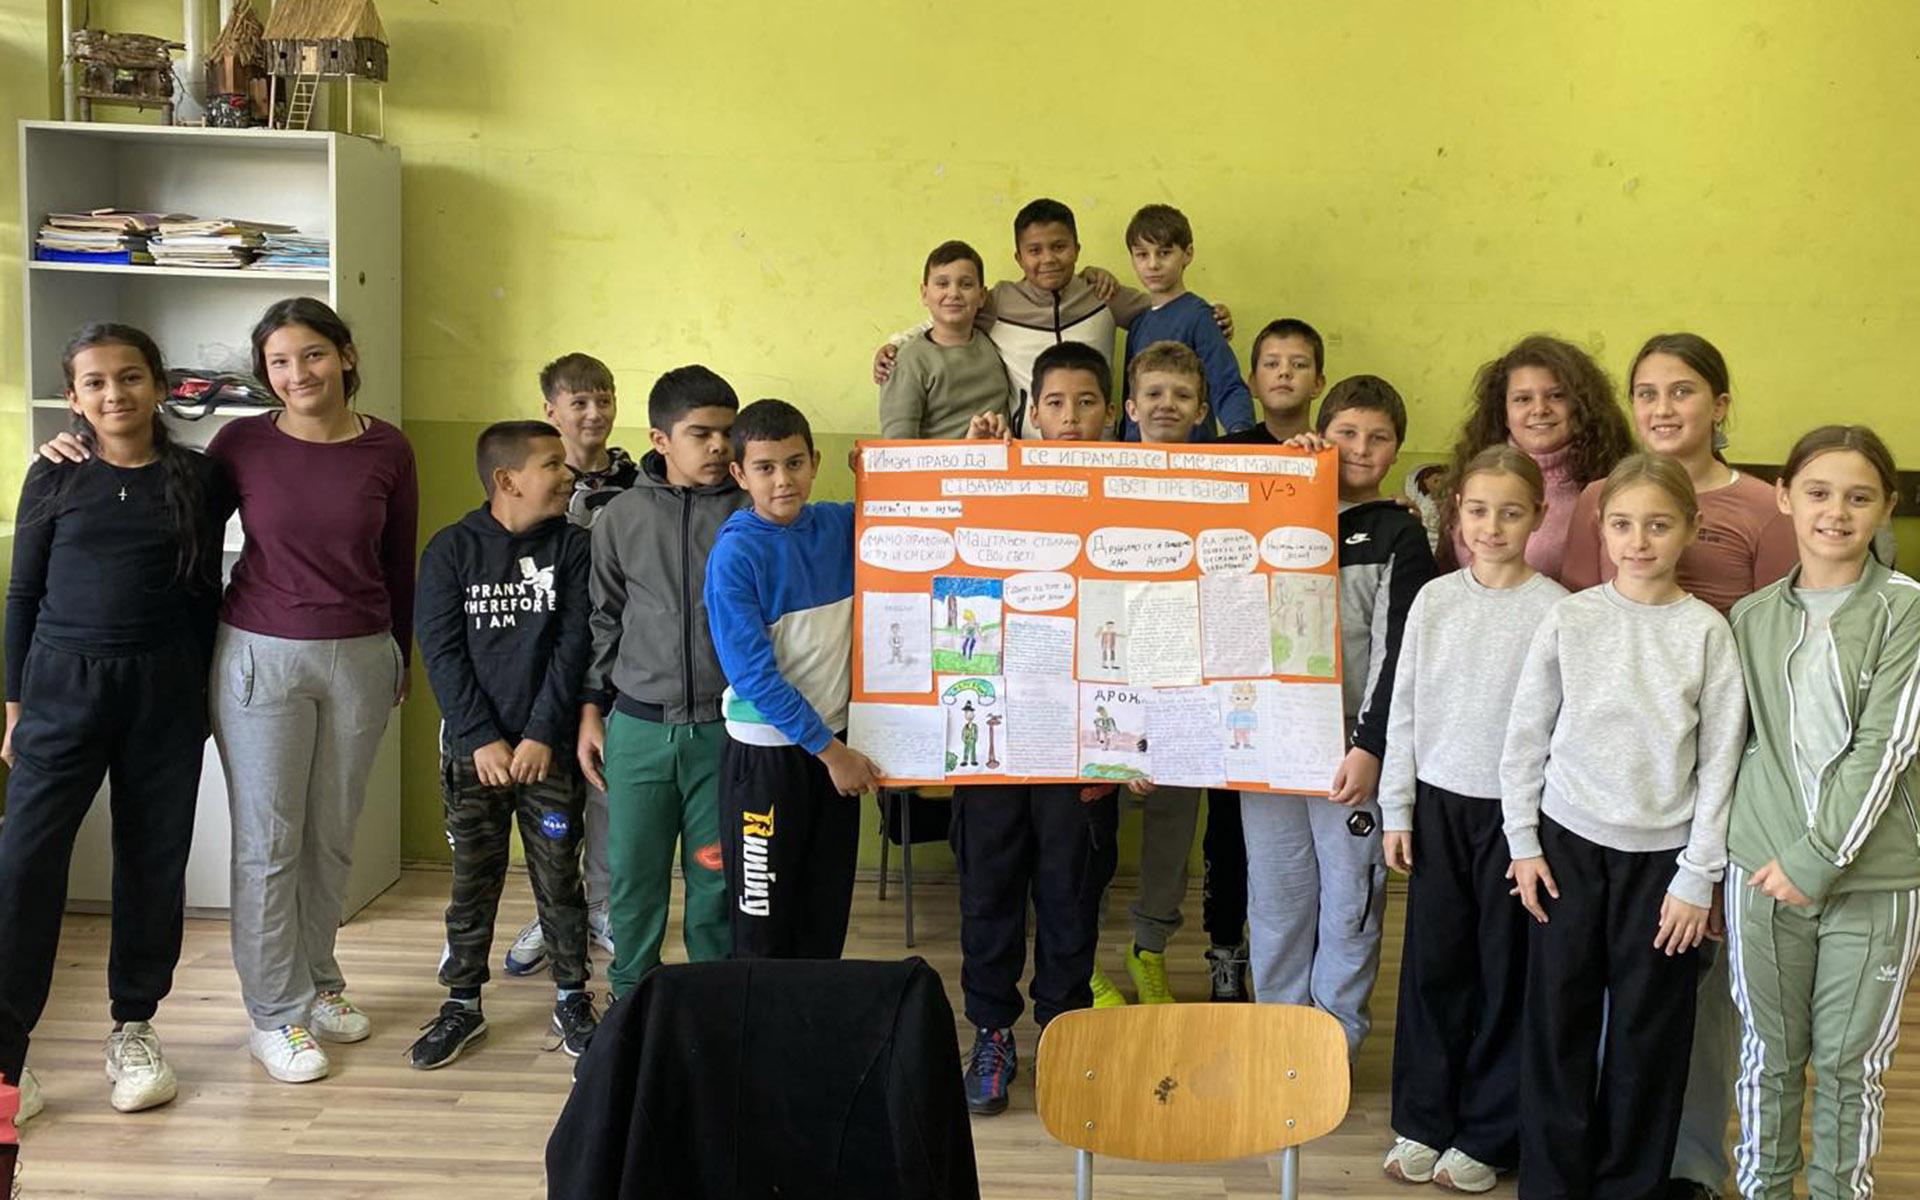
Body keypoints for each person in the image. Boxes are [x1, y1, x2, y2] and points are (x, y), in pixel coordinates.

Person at [1560, 331, 1795, 1197]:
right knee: (1605, 985)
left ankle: (1686, 1162)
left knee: (1695, 980)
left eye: (1683, 390)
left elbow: (1777, 643)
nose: (1663, 408)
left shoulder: (1766, 509)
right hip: (1610, 784)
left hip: (1721, 768)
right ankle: (1594, 1150)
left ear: (1720, 405)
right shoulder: (1602, 498)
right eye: (1647, 391)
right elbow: (1584, 626)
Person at [1502, 453, 1747, 1199]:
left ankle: (1629, 1186)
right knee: (1559, 1024)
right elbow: (1525, 739)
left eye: (1658, 525)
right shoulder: (1570, 618)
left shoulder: (1708, 633)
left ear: (1691, 529)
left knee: (1650, 1033)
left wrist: (1698, 876)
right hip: (1566, 851)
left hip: (1663, 866)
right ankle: (1552, 1183)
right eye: (1622, 525)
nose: (1638, 541)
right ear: (1602, 530)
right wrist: (1523, 843)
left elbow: (1720, 764)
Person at [0, 324, 229, 1121]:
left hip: (163, 690)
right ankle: (6, 1058)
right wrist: (15, 707)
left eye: (129, 377)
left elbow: (205, 593)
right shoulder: (53, 473)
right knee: (24, 865)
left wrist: (198, 698)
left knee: (152, 860)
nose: (114, 394)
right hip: (61, 688)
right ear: (73, 397)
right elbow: (22, 594)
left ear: (160, 385)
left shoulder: (199, 477)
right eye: (94, 382)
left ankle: (134, 1027)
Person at [1723, 425, 1920, 1200]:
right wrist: (1752, 860)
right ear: (1784, 498)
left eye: (1858, 496)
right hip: (1761, 874)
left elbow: (1885, 746)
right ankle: (1762, 1189)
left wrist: (1815, 861)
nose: (1836, 512)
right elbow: (1738, 748)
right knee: (1767, 1056)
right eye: (1818, 492)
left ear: (1886, 507)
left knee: (1848, 1064)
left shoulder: (1907, 611)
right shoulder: (1749, 618)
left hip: (1874, 880)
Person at [1377, 446, 1566, 1193]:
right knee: (1434, 966)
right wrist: (1397, 807)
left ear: (1537, 517)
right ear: (1456, 513)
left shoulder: (1557, 610)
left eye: (1510, 512)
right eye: (1479, 510)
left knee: (1504, 971)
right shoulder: (1435, 600)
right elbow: (1404, 707)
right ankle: (1423, 1118)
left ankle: (1489, 1131)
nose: (1492, 527)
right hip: (1437, 806)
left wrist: (1528, 830)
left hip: (1518, 818)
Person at [949, 340, 1121, 1114]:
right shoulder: (998, 479)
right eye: (1054, 402)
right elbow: (941, 543)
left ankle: (1062, 1029)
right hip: (993, 734)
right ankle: (991, 1031)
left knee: (1069, 891)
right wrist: (975, 462)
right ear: (1031, 413)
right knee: (987, 890)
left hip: (1084, 744)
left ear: (1110, 412)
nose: (1071, 416)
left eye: (1086, 401)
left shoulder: (1135, 494)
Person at [1247, 375, 1436, 1055]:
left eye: (1378, 438)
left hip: (1351, 759)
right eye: (1346, 433)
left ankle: (1333, 1044)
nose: (1360, 447)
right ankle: (1278, 1035)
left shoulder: (1398, 532)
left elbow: (1398, 653)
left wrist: (1370, 746)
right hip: (1268, 753)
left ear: (1396, 451)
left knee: (1350, 901)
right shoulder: (1275, 508)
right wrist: (1287, 479)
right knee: (1277, 898)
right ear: (1319, 435)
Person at [408, 421, 598, 1069]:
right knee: (472, 880)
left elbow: (574, 644)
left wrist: (542, 733)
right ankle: (462, 1003)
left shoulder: (573, 548)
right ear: (507, 480)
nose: (568, 474)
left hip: (548, 753)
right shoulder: (451, 550)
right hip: (475, 755)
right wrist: (480, 739)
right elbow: (441, 652)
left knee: (559, 879)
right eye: (553, 464)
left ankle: (571, 996)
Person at [576, 366, 743, 1001]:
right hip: (639, 729)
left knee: (716, 881)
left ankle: (710, 1003)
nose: (719, 447)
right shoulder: (620, 517)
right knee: (634, 879)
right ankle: (629, 1001)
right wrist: (591, 709)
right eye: (701, 433)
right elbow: (603, 618)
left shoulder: (748, 511)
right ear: (660, 439)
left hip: (724, 731)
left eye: (727, 432)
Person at [705, 399, 881, 958]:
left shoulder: (839, 524)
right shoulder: (736, 555)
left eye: (795, 463)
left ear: (815, 461)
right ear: (740, 474)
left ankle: (811, 1017)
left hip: (833, 751)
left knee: (823, 918)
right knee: (763, 928)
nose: (783, 480)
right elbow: (753, 677)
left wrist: (969, 453)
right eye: (765, 467)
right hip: (769, 758)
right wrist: (832, 753)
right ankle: (757, 1018)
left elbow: (914, 514)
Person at [1085, 341, 1215, 1008]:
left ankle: (1149, 951)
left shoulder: (1221, 482)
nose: (1167, 405)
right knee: (1088, 837)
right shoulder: (1092, 476)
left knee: (1171, 829)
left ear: (1201, 410)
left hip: (1184, 691)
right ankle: (1081, 961)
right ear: (1129, 408)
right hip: (1101, 685)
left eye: (1182, 396)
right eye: (1154, 394)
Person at [1205, 316, 1328, 1000]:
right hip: (1231, 660)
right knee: (1227, 823)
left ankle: (1301, 959)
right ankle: (1225, 948)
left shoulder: (1332, 453)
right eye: (1272, 363)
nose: (1285, 372)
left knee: (1299, 833)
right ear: (1251, 380)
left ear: (1319, 380)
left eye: (1299, 363)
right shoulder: (1225, 453)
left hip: (1305, 664)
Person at [503, 352, 634, 977]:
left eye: (603, 399)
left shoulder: (639, 481)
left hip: (613, 664)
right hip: (546, 666)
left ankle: (602, 906)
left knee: (605, 790)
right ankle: (555, 910)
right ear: (550, 410)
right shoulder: (530, 486)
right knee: (550, 802)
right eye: (578, 402)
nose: (593, 413)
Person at [871, 198, 1233, 424]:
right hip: (1024, 451)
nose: (1048, 259)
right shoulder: (999, 302)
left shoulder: (1102, 293)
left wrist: (1211, 316)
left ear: (1077, 249)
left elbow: (1165, 307)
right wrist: (897, 344)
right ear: (1019, 257)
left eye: (1059, 247)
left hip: (1098, 448)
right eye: (1035, 250)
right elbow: (949, 315)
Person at [1437, 333, 1634, 581]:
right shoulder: (1474, 474)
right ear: (1504, 413)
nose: (1540, 409)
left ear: (1580, 406)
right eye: (1523, 399)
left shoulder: (1609, 490)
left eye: (1556, 396)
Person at [1114, 204, 1253, 440]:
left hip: (1191, 454)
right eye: (1142, 255)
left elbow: (1225, 382)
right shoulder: (1138, 324)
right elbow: (1131, 397)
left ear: (1187, 254)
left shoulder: (1199, 317)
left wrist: (1242, 434)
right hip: (1141, 456)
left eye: (1164, 253)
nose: (1153, 264)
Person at [877, 240, 1016, 439]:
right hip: (938, 460)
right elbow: (898, 443)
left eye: (966, 285)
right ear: (924, 294)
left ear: (982, 296)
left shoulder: (993, 342)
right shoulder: (907, 360)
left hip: (1002, 457)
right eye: (942, 284)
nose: (954, 293)